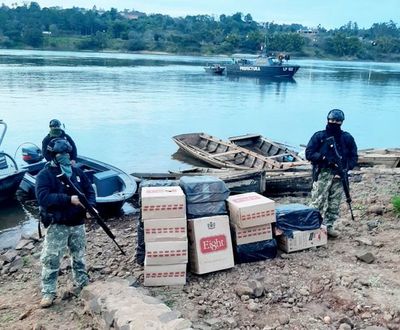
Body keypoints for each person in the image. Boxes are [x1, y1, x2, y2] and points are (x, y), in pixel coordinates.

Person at [35, 138, 95, 308]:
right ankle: (48, 292)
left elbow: (90, 191)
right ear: (53, 156)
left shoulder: (76, 172)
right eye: (60, 154)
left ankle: (82, 283)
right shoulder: (44, 175)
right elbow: (43, 198)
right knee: (51, 259)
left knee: (79, 256)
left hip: (77, 223)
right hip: (57, 224)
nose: (64, 157)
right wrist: (68, 199)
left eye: (66, 154)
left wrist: (92, 207)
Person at [305, 109, 358, 238]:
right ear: (328, 120)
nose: (334, 123)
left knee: (334, 203)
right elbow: (309, 153)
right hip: (323, 173)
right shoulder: (319, 136)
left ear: (341, 122)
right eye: (332, 120)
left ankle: (328, 227)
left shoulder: (347, 138)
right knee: (317, 201)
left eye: (337, 121)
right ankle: (312, 227)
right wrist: (323, 158)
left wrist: (345, 169)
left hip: (339, 175)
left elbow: (353, 156)